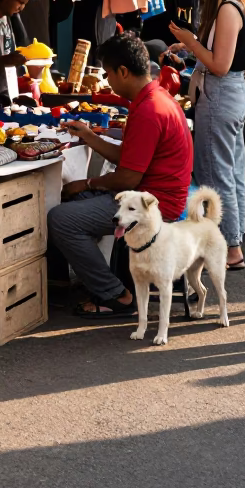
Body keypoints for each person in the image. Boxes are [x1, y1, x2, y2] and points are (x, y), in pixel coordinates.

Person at [47, 34, 193, 318]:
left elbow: (128, 179)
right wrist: (89, 137)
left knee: (61, 219)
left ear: (123, 71)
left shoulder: (150, 109)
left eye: (109, 73)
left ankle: (115, 295)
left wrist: (87, 183)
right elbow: (129, 159)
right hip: (149, 194)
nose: (108, 80)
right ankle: (104, 281)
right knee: (68, 206)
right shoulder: (154, 96)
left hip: (154, 205)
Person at [168, 0, 245, 270]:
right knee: (231, 172)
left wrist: (191, 42)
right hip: (231, 94)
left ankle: (230, 248)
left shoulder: (228, 9)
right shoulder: (239, 4)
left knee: (216, 175)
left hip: (221, 95)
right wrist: (190, 49)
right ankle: (235, 241)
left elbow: (220, 65)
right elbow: (219, 59)